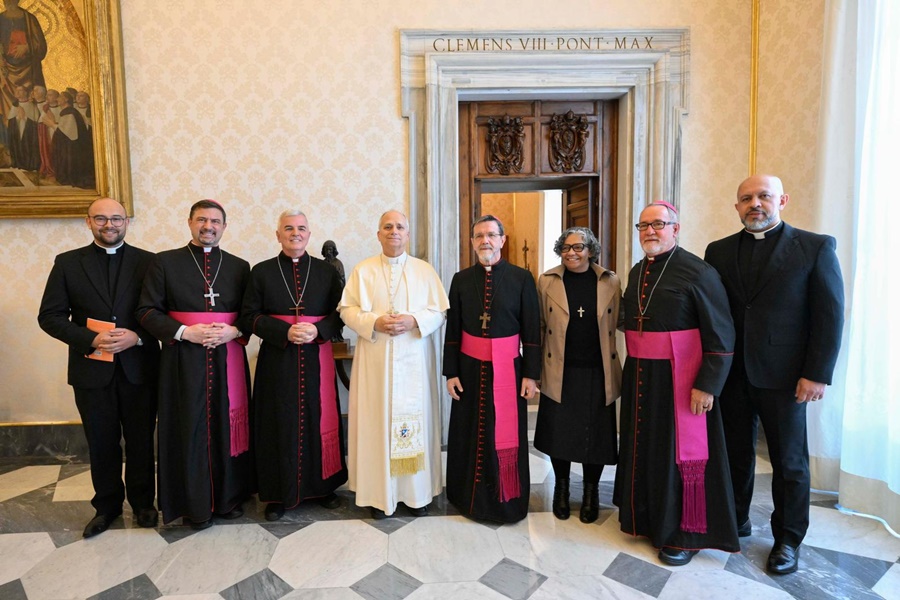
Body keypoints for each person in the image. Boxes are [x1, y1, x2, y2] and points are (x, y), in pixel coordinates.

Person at [704, 175, 845, 575]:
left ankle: (787, 539)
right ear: (736, 207)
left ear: (781, 199)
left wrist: (816, 373)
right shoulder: (718, 251)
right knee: (733, 454)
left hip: (786, 378)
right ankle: (734, 521)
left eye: (763, 196)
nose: (755, 204)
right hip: (731, 375)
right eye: (746, 198)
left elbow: (829, 315)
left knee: (790, 462)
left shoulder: (815, 247)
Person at [614, 202, 739, 566]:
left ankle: (684, 534)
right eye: (644, 225)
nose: (650, 231)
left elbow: (721, 332)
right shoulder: (639, 270)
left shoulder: (699, 272)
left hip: (681, 379)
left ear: (676, 228)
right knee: (648, 449)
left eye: (659, 224)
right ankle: (647, 519)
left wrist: (708, 385)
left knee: (678, 456)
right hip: (641, 376)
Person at [38, 198, 160, 538]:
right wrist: (91, 339)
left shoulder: (150, 263)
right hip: (91, 370)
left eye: (117, 219)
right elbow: (49, 316)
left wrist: (136, 337)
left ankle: (143, 503)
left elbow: (161, 313)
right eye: (101, 219)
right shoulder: (67, 263)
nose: (110, 225)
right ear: (88, 222)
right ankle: (106, 507)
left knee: (139, 440)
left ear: (127, 222)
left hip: (139, 367)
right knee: (102, 441)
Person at [137, 199, 253, 529]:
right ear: (189, 223)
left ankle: (229, 498)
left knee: (226, 427)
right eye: (202, 220)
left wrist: (236, 329)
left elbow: (250, 314)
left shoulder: (239, 266)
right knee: (188, 428)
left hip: (226, 356)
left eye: (215, 221)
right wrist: (186, 332)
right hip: (182, 361)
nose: (209, 226)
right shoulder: (165, 263)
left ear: (224, 227)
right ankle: (192, 505)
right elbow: (146, 311)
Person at [338, 210, 449, 519]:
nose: (394, 231)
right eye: (387, 226)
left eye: (400, 226)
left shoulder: (424, 270)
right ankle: (379, 496)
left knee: (416, 421)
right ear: (378, 234)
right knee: (377, 422)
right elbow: (347, 310)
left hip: (414, 359)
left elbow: (439, 311)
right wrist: (375, 321)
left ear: (408, 234)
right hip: (376, 362)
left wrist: (413, 319)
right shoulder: (363, 270)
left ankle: (417, 494)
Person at [240, 210, 347, 521]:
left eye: (301, 228)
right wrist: (283, 331)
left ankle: (324, 487)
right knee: (277, 421)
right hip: (278, 358)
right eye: (288, 228)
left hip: (317, 356)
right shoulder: (261, 272)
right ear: (278, 235)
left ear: (309, 235)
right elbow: (249, 316)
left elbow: (340, 312)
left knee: (319, 416)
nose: (295, 233)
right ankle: (276, 493)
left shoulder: (326, 273)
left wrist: (319, 330)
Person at [444, 215, 540, 523]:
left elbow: (532, 330)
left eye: (490, 235)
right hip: (470, 370)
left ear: (502, 240)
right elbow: (453, 331)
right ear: (472, 242)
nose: (484, 240)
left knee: (504, 432)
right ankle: (464, 496)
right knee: (468, 431)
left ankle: (505, 499)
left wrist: (530, 374)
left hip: (509, 369)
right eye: (478, 236)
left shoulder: (522, 278)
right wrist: (451, 372)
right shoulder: (460, 279)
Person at [535, 227, 621, 524]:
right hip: (560, 370)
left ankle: (590, 492)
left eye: (579, 247)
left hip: (598, 372)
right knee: (560, 435)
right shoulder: (546, 281)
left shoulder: (610, 281)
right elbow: (538, 326)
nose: (572, 252)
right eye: (566, 247)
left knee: (595, 438)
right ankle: (561, 490)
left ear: (590, 250)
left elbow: (620, 321)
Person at [0, 0, 47, 119]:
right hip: (5, 71)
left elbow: (41, 46)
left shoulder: (29, 19)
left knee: (30, 107)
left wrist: (27, 47)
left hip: (28, 69)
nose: (9, 3)